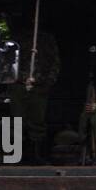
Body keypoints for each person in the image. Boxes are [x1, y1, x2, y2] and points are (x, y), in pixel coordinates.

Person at [10, 21, 60, 162]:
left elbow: (55, 63)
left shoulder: (47, 40)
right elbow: (9, 60)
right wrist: (15, 79)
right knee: (17, 121)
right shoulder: (18, 39)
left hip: (39, 85)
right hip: (19, 84)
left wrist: (47, 83)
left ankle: (36, 154)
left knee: (37, 121)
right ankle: (17, 154)